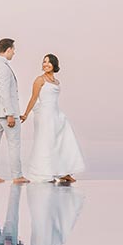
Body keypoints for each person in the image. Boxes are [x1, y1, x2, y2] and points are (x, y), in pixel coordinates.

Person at [21, 53, 86, 183]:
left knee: (63, 141)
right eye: (44, 62)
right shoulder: (40, 80)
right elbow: (34, 98)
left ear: (54, 64)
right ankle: (45, 173)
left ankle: (64, 172)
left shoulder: (56, 81)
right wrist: (26, 114)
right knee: (47, 142)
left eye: (49, 62)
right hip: (45, 115)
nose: (45, 64)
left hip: (56, 114)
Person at [0, 38, 29, 184]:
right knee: (14, 145)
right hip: (5, 113)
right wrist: (10, 113)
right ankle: (17, 176)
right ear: (8, 49)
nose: (14, 52)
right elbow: (4, 92)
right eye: (13, 49)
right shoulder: (3, 67)